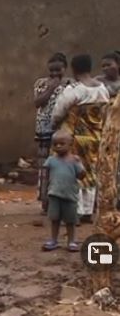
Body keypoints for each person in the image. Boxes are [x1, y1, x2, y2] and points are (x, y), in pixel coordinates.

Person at [52, 54, 110, 224]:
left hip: (74, 138)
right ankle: (87, 210)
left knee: (72, 172)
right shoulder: (102, 89)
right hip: (95, 137)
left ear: (73, 69)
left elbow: (58, 112)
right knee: (90, 172)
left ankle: (74, 212)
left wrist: (55, 127)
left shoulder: (74, 90)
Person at [33, 53, 71, 215]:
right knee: (45, 167)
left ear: (65, 68)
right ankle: (45, 202)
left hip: (62, 131)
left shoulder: (71, 84)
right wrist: (51, 87)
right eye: (52, 70)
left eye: (58, 70)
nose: (55, 73)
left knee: (62, 166)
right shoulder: (41, 83)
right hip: (44, 130)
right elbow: (38, 102)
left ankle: (61, 203)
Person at [42, 130, 86, 252]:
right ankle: (53, 240)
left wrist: (81, 168)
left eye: (62, 143)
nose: (58, 146)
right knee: (54, 219)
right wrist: (45, 194)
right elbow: (46, 177)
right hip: (54, 194)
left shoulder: (74, 160)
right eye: (55, 144)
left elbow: (81, 176)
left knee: (70, 221)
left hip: (70, 195)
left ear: (70, 145)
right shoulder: (51, 160)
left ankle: (71, 241)